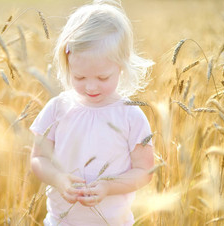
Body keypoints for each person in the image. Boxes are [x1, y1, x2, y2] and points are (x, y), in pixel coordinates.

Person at [30, 0, 154, 225]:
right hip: (60, 222)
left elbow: (145, 171)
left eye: (102, 77)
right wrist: (58, 179)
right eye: (79, 77)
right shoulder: (57, 109)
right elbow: (38, 158)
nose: (91, 87)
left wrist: (108, 186)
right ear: (68, 65)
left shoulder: (131, 116)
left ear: (122, 65)